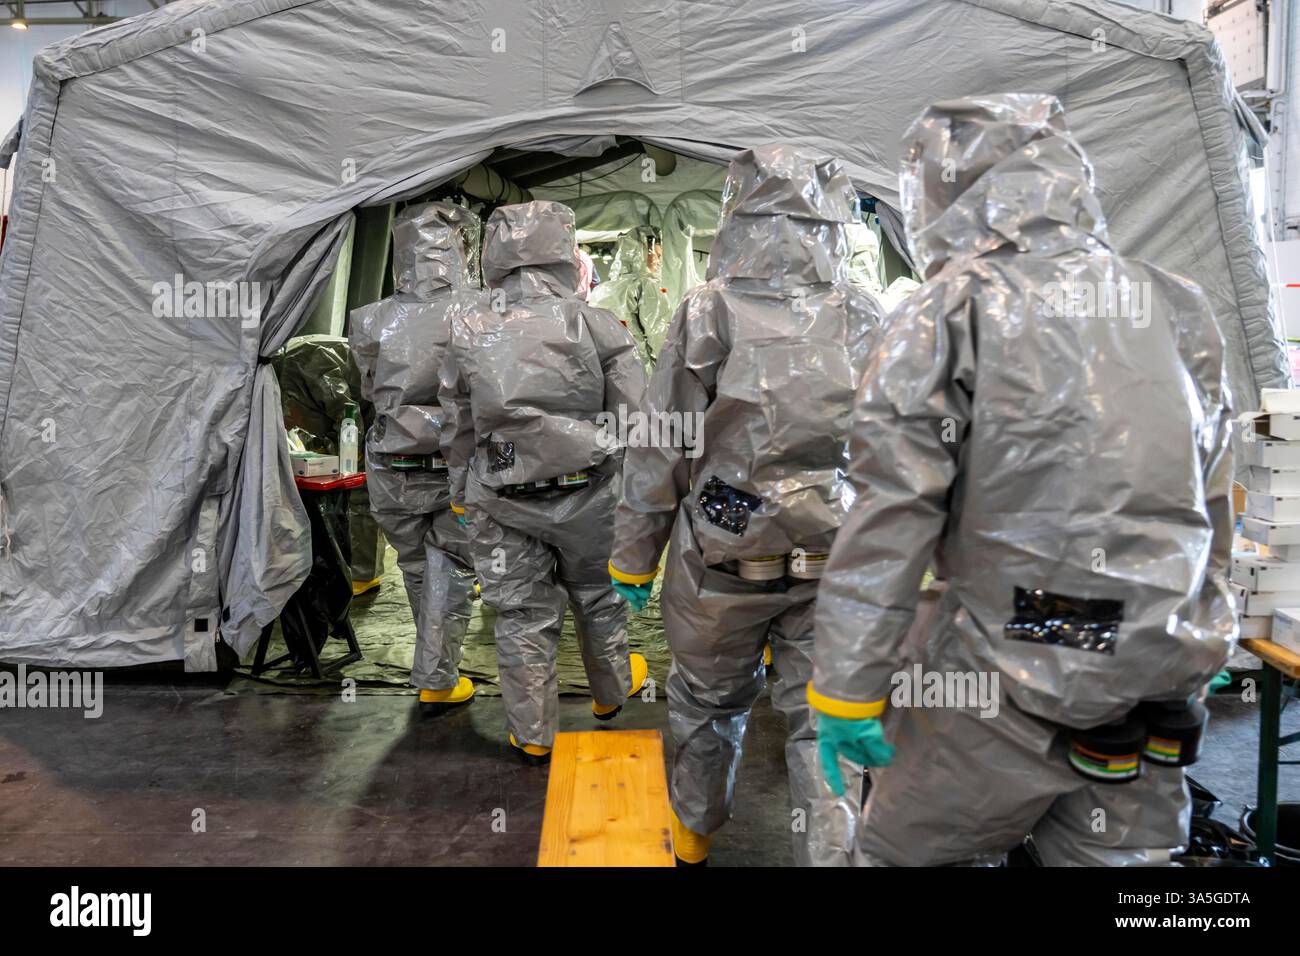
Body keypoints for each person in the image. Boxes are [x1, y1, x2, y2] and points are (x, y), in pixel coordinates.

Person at [810, 93, 1235, 866]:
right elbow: (1213, 499)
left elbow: (892, 516)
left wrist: (846, 681)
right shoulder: (1177, 303)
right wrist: (1196, 629)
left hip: (1003, 675)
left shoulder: (949, 309)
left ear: (938, 193)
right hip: (1159, 666)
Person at [609, 145, 885, 866]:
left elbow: (659, 442)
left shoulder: (709, 312)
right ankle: (833, 854)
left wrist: (633, 557)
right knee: (827, 724)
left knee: (705, 705)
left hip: (723, 559)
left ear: (736, 215)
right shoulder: (863, 313)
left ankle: (695, 835)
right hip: (835, 558)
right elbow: (903, 450)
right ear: (831, 221)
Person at [439, 200, 650, 765]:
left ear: (493, 258)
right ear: (566, 253)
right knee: (597, 595)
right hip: (589, 491)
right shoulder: (597, 324)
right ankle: (610, 695)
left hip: (502, 493)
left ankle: (533, 733)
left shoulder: (465, 325)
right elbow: (636, 416)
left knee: (521, 611)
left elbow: (457, 421)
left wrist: (461, 493)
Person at [349, 201, 482, 711]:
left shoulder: (371, 319)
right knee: (451, 563)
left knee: (416, 565)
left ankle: (435, 669)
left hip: (392, 463)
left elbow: (367, 386)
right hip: (456, 463)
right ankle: (435, 675)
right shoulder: (483, 310)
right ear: (461, 248)